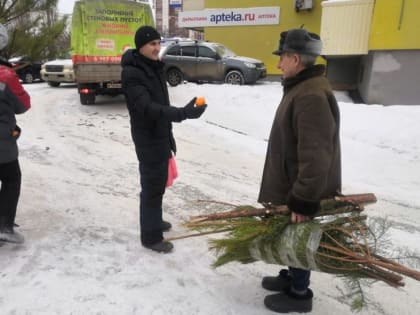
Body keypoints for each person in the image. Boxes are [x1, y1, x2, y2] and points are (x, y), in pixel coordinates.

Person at [258, 29, 341, 313]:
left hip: (301, 185)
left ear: (295, 59)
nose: (278, 64)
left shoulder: (310, 95)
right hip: (291, 180)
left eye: (281, 58)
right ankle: (291, 276)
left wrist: (304, 197)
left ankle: (299, 293)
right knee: (290, 232)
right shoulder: (301, 87)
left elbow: (316, 154)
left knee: (300, 232)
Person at [121, 26, 207, 254]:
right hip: (147, 137)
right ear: (140, 47)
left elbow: (160, 104)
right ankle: (150, 237)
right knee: (151, 187)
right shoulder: (132, 73)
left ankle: (155, 221)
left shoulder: (153, 67)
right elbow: (147, 108)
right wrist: (182, 114)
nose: (156, 48)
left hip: (160, 133)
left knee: (158, 184)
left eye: (158, 43)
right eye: (151, 44)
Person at [0, 24, 31, 244]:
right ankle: (5, 227)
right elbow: (23, 104)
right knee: (12, 179)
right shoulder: (5, 75)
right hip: (2, 140)